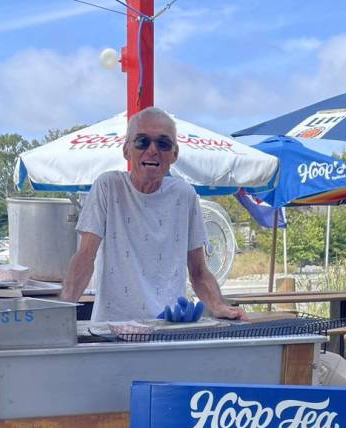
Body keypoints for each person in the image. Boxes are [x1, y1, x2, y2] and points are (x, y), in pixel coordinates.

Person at [59, 107, 246, 323]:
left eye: (163, 143)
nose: (152, 150)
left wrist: (218, 305)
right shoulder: (108, 186)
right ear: (126, 150)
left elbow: (198, 271)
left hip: (167, 330)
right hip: (112, 330)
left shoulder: (185, 195)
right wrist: (62, 310)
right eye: (142, 141)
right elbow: (85, 257)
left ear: (174, 154)